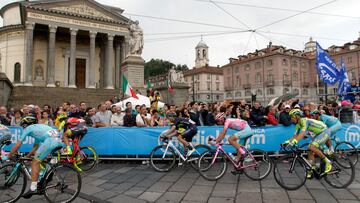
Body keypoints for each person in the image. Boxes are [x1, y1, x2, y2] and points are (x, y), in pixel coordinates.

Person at [2, 116, 63, 198]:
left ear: (26, 124)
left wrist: (9, 156)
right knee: (41, 159)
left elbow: (18, 144)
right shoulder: (38, 128)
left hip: (50, 142)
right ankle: (46, 177)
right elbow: (35, 147)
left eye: (23, 125)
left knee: (35, 162)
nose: (23, 128)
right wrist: (27, 156)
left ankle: (33, 188)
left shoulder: (29, 128)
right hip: (58, 142)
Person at [284, 109, 332, 178]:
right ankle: (312, 168)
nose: (291, 119)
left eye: (292, 117)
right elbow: (295, 136)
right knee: (309, 151)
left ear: (297, 116)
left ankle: (327, 162)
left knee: (312, 147)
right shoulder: (298, 125)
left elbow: (303, 133)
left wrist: (294, 142)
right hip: (318, 133)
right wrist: (286, 142)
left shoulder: (304, 120)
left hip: (324, 131)